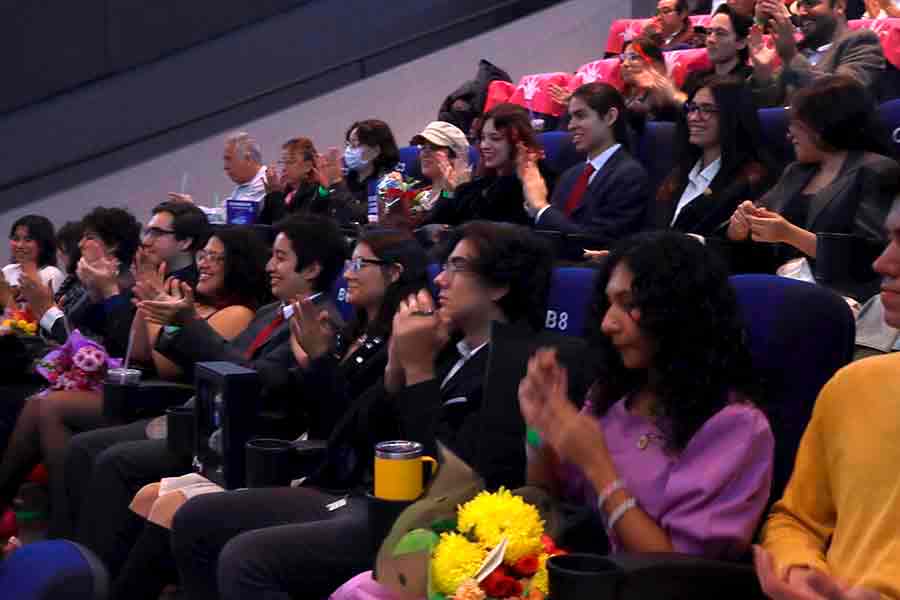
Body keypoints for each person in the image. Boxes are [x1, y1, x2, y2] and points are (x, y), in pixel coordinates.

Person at [331, 231, 775, 600]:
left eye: (630, 305)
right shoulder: (614, 395)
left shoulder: (734, 426)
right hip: (560, 572)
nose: (609, 324)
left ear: (679, 312)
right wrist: (538, 432)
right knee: (366, 588)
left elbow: (675, 577)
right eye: (609, 305)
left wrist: (599, 465)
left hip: (625, 589)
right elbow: (549, 500)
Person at [168, 222, 553, 600]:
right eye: (445, 267)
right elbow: (352, 432)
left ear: (500, 286)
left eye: (458, 267)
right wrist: (394, 372)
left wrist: (418, 371)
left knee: (246, 558)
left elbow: (452, 480)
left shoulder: (515, 363)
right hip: (361, 493)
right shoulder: (441, 343)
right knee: (196, 519)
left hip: (416, 523)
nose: (441, 281)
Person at [106, 229, 430, 600]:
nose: (350, 274)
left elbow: (310, 409)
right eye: (349, 264)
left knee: (168, 499)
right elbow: (302, 399)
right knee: (168, 503)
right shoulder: (344, 331)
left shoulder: (381, 335)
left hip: (340, 478)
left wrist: (319, 362)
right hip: (294, 455)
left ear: (394, 273)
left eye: (361, 264)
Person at [61, 215, 347, 575]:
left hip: (247, 441)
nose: (270, 266)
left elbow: (255, 381)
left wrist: (188, 324)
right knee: (84, 448)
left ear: (312, 268)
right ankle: (69, 563)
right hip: (206, 421)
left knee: (113, 461)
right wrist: (177, 324)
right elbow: (220, 363)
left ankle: (89, 578)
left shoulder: (319, 323)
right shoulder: (272, 310)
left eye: (281, 258)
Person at [753, 206, 900, 600]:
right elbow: (797, 520)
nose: (882, 261)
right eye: (891, 239)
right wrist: (800, 572)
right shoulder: (853, 386)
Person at [726, 76, 899, 284]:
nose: (790, 136)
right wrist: (740, 226)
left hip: (841, 293)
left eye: (797, 125)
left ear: (823, 125)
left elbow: (870, 254)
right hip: (779, 281)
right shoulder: (796, 171)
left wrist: (792, 235)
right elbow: (760, 223)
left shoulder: (877, 170)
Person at [524, 82, 651, 244]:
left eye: (580, 116)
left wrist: (541, 208)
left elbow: (595, 242)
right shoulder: (570, 175)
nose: (571, 126)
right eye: (570, 117)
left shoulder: (629, 176)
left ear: (610, 117)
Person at [652, 76, 777, 236]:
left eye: (707, 109)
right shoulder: (679, 173)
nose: (693, 117)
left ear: (732, 115)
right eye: (692, 108)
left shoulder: (750, 179)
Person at [424, 104, 556, 227]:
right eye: (483, 138)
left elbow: (482, 227)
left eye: (495, 138)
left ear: (519, 142)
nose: (484, 146)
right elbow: (440, 222)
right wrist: (448, 192)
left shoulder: (538, 183)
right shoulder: (481, 183)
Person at [749, 0, 886, 106]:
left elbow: (842, 97)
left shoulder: (862, 41)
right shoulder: (801, 49)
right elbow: (766, 104)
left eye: (810, 3)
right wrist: (763, 72)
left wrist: (791, 56)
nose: (801, 12)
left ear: (839, 6)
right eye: (800, 5)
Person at [168, 132, 268, 220]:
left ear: (248, 159)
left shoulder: (265, 182)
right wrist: (192, 208)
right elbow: (221, 213)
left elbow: (228, 217)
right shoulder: (244, 186)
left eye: (229, 159)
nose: (225, 167)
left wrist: (192, 209)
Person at [323, 119, 402, 226]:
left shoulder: (391, 180)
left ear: (375, 150)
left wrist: (336, 182)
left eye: (355, 145)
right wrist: (322, 187)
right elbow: (325, 209)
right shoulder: (348, 177)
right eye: (348, 145)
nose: (348, 151)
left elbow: (365, 217)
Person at [406, 121, 472, 226]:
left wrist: (449, 192)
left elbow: (440, 223)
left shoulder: (466, 197)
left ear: (455, 156)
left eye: (434, 147)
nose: (425, 153)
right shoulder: (419, 194)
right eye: (423, 147)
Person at [259, 137, 332, 224]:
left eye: (290, 162)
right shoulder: (286, 192)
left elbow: (292, 228)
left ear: (307, 166)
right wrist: (270, 194)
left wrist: (275, 194)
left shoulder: (316, 192)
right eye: (282, 162)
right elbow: (264, 226)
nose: (284, 168)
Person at [0, 215, 65, 312]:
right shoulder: (7, 271)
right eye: (16, 239)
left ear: (42, 245)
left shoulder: (52, 274)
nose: (20, 245)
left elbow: (55, 319)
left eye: (28, 240)